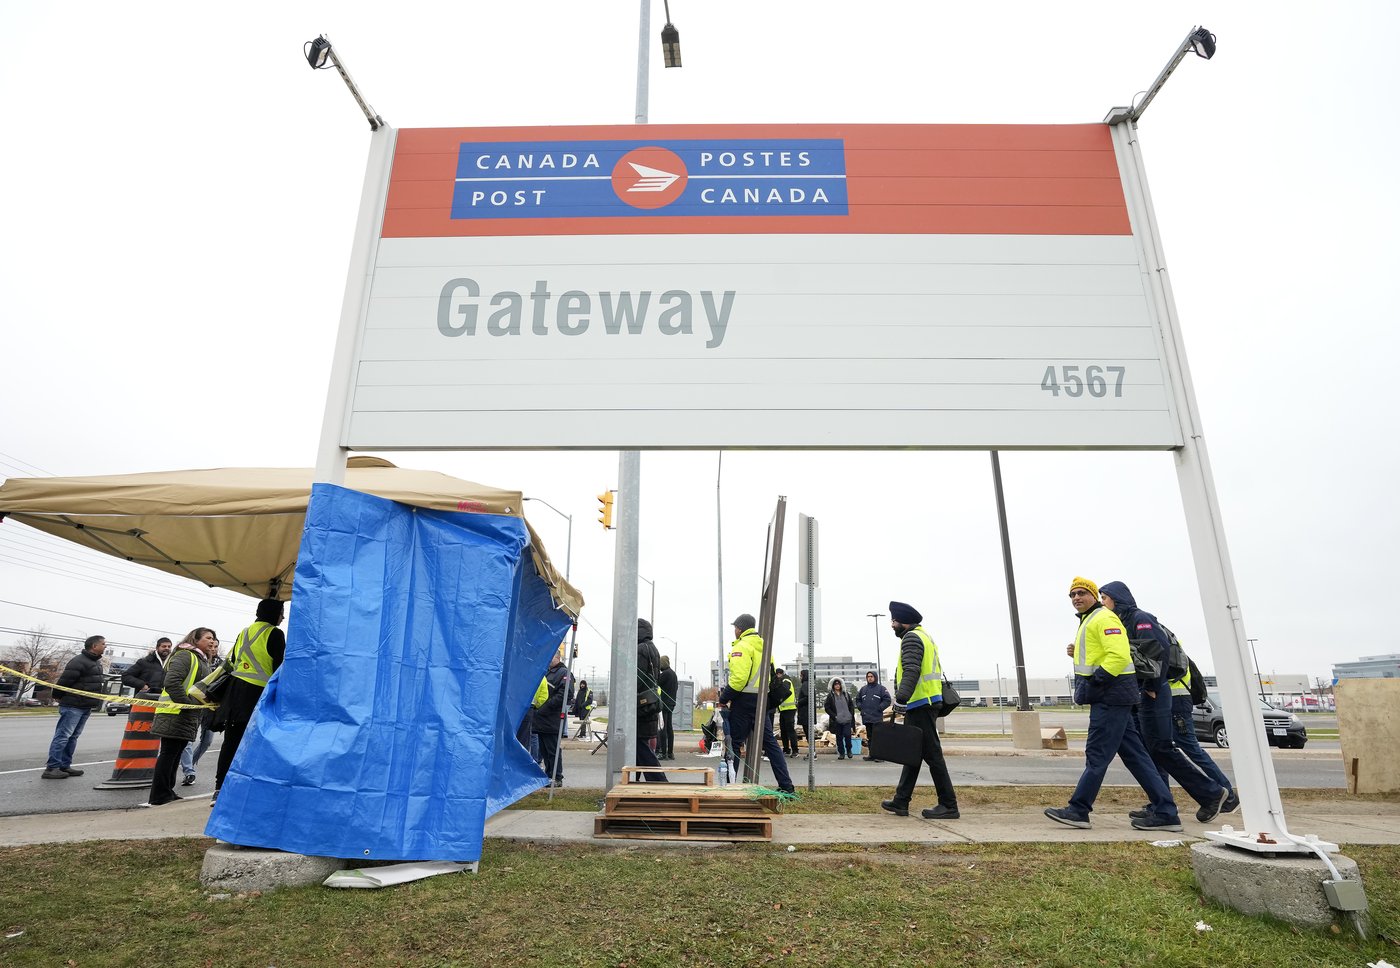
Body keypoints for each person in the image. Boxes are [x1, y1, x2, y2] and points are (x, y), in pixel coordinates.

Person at [1045, 577, 1180, 831]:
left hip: (1110, 697)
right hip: (1111, 697)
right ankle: (1165, 811)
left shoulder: (1104, 618)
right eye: (1072, 594)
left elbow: (1118, 656)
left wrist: (1097, 680)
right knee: (1136, 757)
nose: (1076, 598)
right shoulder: (1090, 620)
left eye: (1082, 593)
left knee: (1097, 755)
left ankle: (1078, 809)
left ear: (1094, 596)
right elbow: (1101, 653)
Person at [1098, 581, 1235, 824]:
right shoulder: (1122, 623)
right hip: (1146, 695)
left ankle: (1218, 793)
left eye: (1105, 598)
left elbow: (1157, 651)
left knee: (1171, 748)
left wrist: (1151, 687)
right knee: (1154, 751)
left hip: (1163, 694)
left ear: (1117, 599)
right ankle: (1162, 804)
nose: (1102, 603)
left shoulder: (1141, 618)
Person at [880, 602, 960, 820]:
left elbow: (912, 670)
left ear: (903, 622)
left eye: (893, 622)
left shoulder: (912, 638)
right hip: (925, 702)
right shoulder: (924, 636)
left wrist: (901, 699)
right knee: (912, 753)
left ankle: (949, 805)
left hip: (920, 704)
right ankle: (901, 800)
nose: (892, 626)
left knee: (932, 755)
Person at [213, 598, 286, 803]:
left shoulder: (244, 632)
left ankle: (220, 787)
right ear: (273, 613)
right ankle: (249, 787)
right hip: (257, 694)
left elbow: (234, 660)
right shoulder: (275, 633)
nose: (283, 616)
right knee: (256, 741)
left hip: (235, 694)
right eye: (281, 612)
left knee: (231, 741)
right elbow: (280, 667)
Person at [719, 613, 795, 794]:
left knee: (734, 743)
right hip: (762, 702)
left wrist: (724, 698)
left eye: (735, 628)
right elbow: (771, 676)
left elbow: (738, 679)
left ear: (740, 628)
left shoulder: (742, 647)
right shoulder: (765, 647)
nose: (734, 631)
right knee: (770, 744)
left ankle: (729, 786)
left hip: (743, 701)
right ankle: (787, 786)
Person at [147, 628, 213, 806]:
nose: (212, 641)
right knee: (169, 753)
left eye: (213, 638)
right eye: (208, 638)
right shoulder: (185, 655)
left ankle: (168, 791)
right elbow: (172, 682)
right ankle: (159, 795)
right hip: (175, 712)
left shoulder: (202, 659)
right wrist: (186, 705)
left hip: (187, 713)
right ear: (196, 639)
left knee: (175, 754)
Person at [1166, 653, 1237, 807]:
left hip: (1175, 701)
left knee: (1191, 749)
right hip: (1176, 700)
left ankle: (1228, 795)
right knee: (1162, 749)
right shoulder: (1172, 643)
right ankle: (1162, 799)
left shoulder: (1159, 638)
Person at [42, 635, 106, 779]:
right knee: (63, 736)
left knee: (73, 737)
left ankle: (65, 765)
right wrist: (57, 695)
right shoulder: (79, 661)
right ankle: (52, 767)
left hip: (86, 705)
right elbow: (65, 681)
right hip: (73, 705)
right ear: (94, 646)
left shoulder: (96, 662)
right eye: (103, 644)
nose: (105, 646)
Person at [179, 633, 220, 786]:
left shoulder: (221, 664)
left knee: (207, 741)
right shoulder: (196, 660)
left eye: (216, 646)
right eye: (211, 644)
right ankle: (189, 771)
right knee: (188, 739)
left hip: (210, 709)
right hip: (194, 706)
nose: (213, 648)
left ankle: (190, 763)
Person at [635, 619, 668, 782]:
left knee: (641, 748)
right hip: (650, 704)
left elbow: (637, 678)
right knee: (640, 747)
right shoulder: (652, 648)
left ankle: (660, 782)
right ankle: (638, 782)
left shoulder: (641, 649)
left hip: (641, 705)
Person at [532, 649, 571, 787]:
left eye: (551, 657)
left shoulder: (564, 674)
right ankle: (548, 775)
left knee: (553, 750)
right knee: (543, 751)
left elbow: (564, 696)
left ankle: (556, 777)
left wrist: (544, 708)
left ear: (557, 658)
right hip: (541, 720)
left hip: (552, 718)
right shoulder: (546, 672)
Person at [856, 670, 892, 762]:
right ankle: (872, 754)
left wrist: (880, 708)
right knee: (870, 737)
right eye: (868, 676)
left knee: (878, 738)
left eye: (871, 676)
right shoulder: (863, 689)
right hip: (867, 718)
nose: (870, 678)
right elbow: (858, 700)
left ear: (875, 677)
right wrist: (861, 707)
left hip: (877, 718)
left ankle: (880, 756)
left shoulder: (881, 689)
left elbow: (887, 700)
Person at [824, 677, 857, 759]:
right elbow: (827, 707)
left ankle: (849, 750)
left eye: (838, 684)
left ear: (841, 685)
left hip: (847, 719)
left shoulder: (846, 694)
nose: (837, 686)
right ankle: (841, 753)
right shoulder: (831, 696)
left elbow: (851, 706)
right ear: (833, 686)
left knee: (847, 735)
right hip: (837, 721)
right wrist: (834, 716)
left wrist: (850, 714)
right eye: (835, 684)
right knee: (839, 737)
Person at [658, 654, 679, 760]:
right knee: (669, 728)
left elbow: (655, 681)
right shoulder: (673, 674)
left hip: (665, 704)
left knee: (663, 728)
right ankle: (670, 753)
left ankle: (663, 753)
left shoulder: (666, 674)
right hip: (671, 703)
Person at [775, 668, 799, 756]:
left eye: (777, 675)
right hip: (783, 709)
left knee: (790, 730)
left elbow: (785, 690)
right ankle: (786, 749)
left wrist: (779, 698)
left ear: (779, 674)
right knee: (783, 730)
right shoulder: (782, 680)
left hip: (790, 709)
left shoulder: (786, 680)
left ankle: (795, 750)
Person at [796, 669, 812, 745]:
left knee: (808, 733)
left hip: (806, 713)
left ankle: (812, 752)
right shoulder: (809, 684)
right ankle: (812, 752)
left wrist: (799, 702)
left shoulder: (805, 685)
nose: (800, 677)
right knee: (809, 734)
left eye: (801, 675)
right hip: (807, 713)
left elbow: (807, 697)